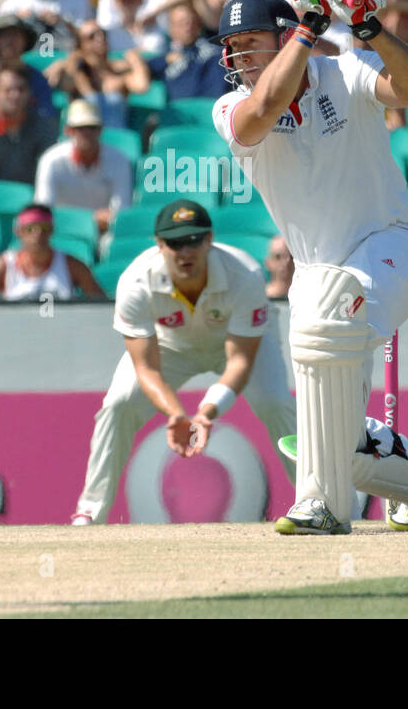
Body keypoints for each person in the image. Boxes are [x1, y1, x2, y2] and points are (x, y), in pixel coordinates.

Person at [211, 0, 408, 534]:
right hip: (314, 271)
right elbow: (262, 113)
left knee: (323, 357)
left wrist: (368, 26)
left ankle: (323, 507)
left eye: (250, 43)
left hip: (392, 245)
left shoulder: (349, 71)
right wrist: (308, 31)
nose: (237, 58)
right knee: (336, 435)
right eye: (231, 46)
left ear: (283, 37)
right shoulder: (230, 106)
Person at [71, 199, 295, 523]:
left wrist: (205, 413)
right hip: (171, 345)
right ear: (159, 245)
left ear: (209, 240)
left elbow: (240, 361)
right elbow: (146, 367)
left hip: (237, 344)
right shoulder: (135, 282)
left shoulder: (243, 274)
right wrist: (177, 415)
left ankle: (317, 500)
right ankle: (91, 511)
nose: (185, 252)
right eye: (175, 243)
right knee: (118, 405)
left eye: (193, 241)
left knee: (275, 402)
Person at [33, 98, 132, 235]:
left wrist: (70, 218)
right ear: (68, 131)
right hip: (60, 232)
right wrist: (92, 219)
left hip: (102, 233)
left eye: (92, 127)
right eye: (79, 128)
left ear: (100, 130)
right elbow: (43, 212)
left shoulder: (119, 160)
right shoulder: (51, 160)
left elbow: (120, 214)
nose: (87, 134)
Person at [0, 203, 102, 301]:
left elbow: (101, 305)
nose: (38, 233)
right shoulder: (2, 266)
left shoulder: (72, 266)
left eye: (44, 228)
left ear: (52, 230)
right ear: (18, 231)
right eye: (30, 228)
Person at [43, 19, 149, 128]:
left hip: (117, 140)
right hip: (84, 140)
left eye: (102, 33)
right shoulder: (77, 73)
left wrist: (135, 59)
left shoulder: (119, 72)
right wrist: (70, 60)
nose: (100, 38)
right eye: (91, 36)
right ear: (81, 44)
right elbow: (58, 82)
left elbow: (142, 86)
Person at [144, 1, 227, 100]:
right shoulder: (165, 57)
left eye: (191, 22)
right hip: (183, 112)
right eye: (181, 23)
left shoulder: (215, 42)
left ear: (199, 24)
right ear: (171, 28)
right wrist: (132, 55)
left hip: (218, 105)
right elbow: (140, 77)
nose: (188, 27)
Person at [264, 233, 292, 297]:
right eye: (278, 257)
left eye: (291, 257)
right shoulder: (258, 298)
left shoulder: (305, 298)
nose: (286, 262)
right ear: (268, 262)